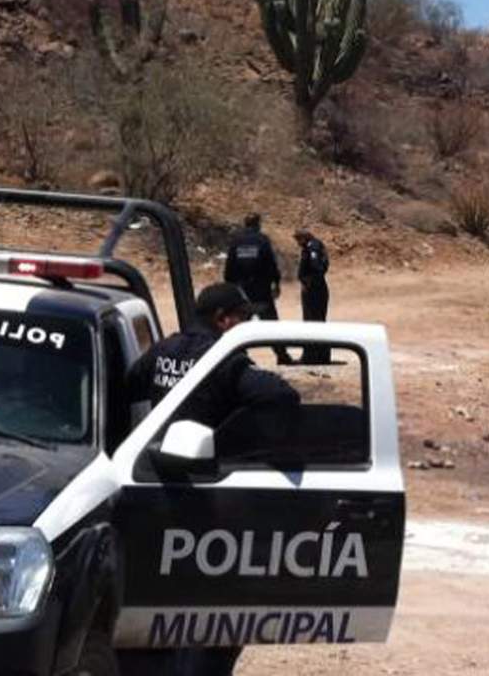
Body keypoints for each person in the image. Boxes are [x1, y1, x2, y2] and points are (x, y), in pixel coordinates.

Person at [123, 282, 299, 676]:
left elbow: (130, 383)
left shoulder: (164, 350)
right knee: (212, 610)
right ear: (223, 319)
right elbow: (280, 397)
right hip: (206, 498)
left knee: (158, 601)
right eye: (244, 318)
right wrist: (241, 436)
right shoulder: (224, 360)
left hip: (150, 484)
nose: (247, 325)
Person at [224, 213, 290, 364]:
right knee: (271, 325)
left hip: (242, 291)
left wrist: (230, 287)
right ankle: (282, 355)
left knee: (239, 325)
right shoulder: (262, 240)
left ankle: (237, 354)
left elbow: (230, 267)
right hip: (261, 291)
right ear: (257, 224)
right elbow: (271, 264)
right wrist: (276, 282)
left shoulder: (236, 241)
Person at [294, 229, 330, 364]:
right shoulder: (315, 245)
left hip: (314, 291)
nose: (298, 243)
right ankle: (321, 356)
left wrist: (308, 282)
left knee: (311, 322)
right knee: (318, 321)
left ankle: (311, 357)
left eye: (298, 240)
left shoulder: (312, 247)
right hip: (317, 288)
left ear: (304, 237)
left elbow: (317, 267)